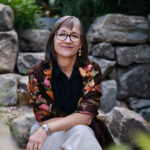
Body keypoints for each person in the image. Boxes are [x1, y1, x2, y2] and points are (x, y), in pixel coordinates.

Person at [27, 16, 113, 150]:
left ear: (81, 43)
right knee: (80, 132)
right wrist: (48, 128)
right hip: (49, 134)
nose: (67, 40)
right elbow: (43, 118)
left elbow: (86, 117)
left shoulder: (91, 70)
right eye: (62, 35)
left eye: (74, 36)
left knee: (81, 132)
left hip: (79, 131)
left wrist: (46, 129)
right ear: (53, 39)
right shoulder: (37, 73)